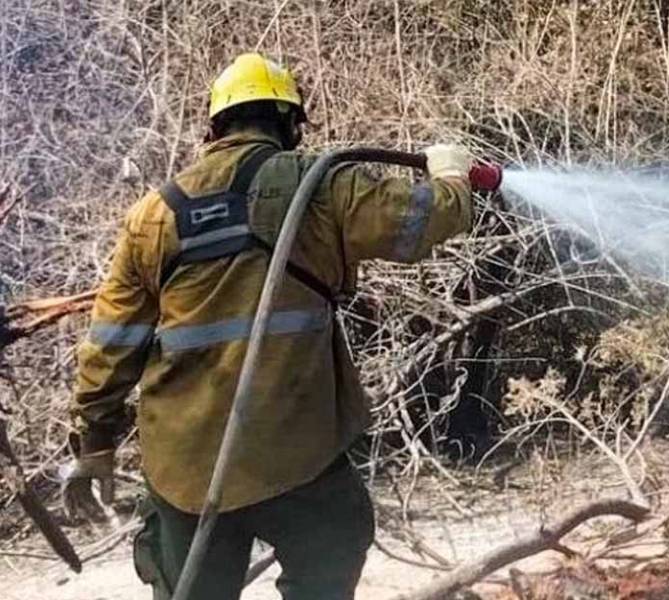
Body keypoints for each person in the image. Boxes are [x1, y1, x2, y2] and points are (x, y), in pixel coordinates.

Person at [61, 52, 473, 600]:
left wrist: (95, 444)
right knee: (334, 545)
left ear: (213, 127)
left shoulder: (153, 216)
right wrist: (452, 175)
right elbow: (425, 219)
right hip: (295, 451)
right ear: (290, 123)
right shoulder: (322, 186)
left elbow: (111, 344)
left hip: (186, 467)